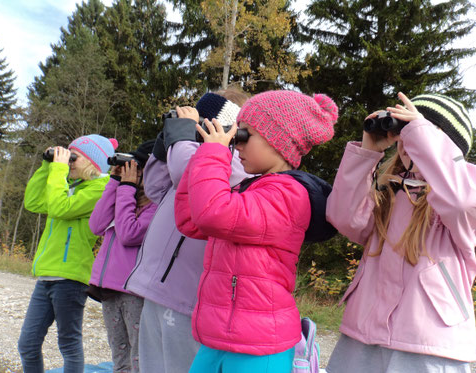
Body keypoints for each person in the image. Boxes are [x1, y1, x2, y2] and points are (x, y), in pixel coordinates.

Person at [174, 90, 338, 373]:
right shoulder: (253, 188)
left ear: (277, 141)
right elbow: (190, 220)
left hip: (260, 343)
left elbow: (213, 214)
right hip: (221, 336)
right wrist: (204, 154)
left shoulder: (288, 195)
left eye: (244, 134)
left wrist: (214, 154)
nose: (236, 145)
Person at [325, 92, 476, 373]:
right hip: (363, 333)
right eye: (403, 134)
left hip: (427, 341)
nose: (408, 142)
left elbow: (460, 201)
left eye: (417, 133)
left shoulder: (465, 196)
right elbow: (343, 218)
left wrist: (422, 134)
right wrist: (367, 153)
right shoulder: (389, 192)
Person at [124, 89, 250, 373]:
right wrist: (164, 143)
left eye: (201, 125)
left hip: (187, 295)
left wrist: (182, 139)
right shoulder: (192, 154)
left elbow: (189, 175)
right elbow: (156, 187)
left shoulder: (237, 166)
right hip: (156, 285)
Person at [18, 134, 118, 373]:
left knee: (68, 344)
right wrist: (47, 166)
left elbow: (60, 208)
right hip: (47, 277)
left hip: (71, 278)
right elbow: (33, 202)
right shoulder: (68, 187)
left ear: (93, 163)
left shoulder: (99, 190)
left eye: (74, 158)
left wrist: (58, 171)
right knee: (27, 344)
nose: (69, 162)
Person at [87, 140, 157, 373]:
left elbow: (129, 234)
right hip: (109, 288)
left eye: (136, 166)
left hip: (133, 292)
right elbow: (96, 225)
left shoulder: (156, 205)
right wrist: (115, 182)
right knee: (120, 358)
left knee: (138, 359)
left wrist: (126, 188)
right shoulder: (125, 196)